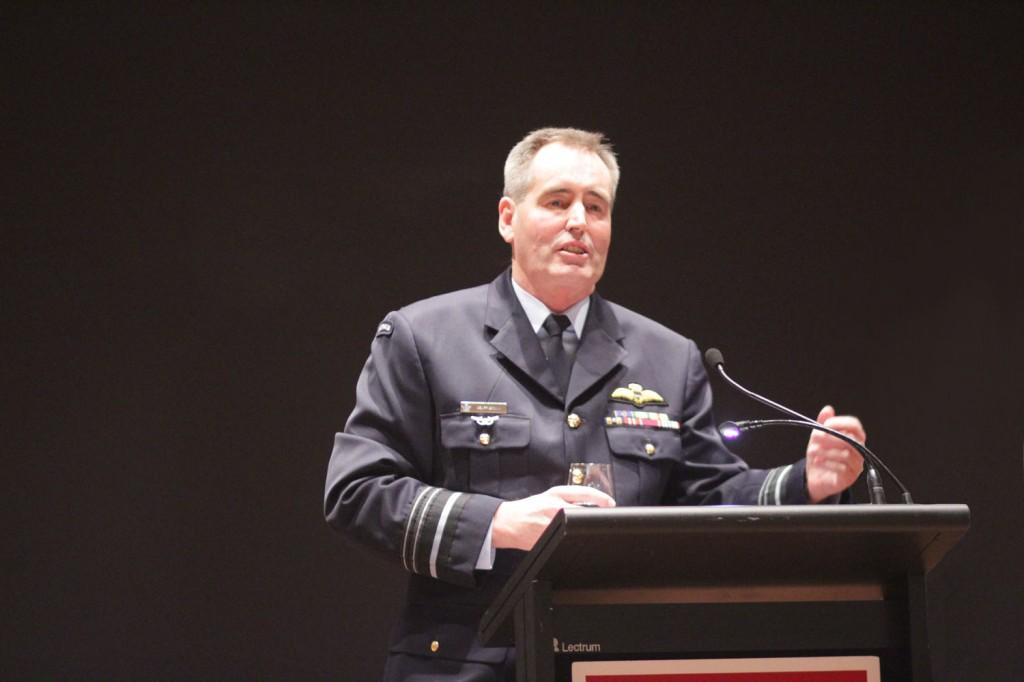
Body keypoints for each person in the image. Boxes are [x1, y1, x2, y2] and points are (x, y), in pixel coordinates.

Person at [324, 127, 866, 680]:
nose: (578, 222)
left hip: (620, 662)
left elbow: (710, 498)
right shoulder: (424, 337)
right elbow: (358, 489)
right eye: (557, 202)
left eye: (596, 207)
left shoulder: (668, 356)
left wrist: (807, 482)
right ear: (508, 218)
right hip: (464, 664)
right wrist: (501, 523)